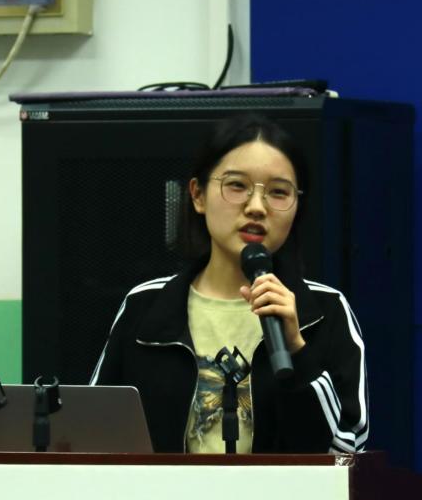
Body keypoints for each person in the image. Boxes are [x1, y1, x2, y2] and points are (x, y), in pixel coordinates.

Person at [89, 113, 368, 454]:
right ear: (198, 195)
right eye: (237, 186)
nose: (256, 207)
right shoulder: (145, 305)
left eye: (279, 192)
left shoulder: (325, 310)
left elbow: (346, 454)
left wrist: (297, 348)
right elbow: (95, 437)